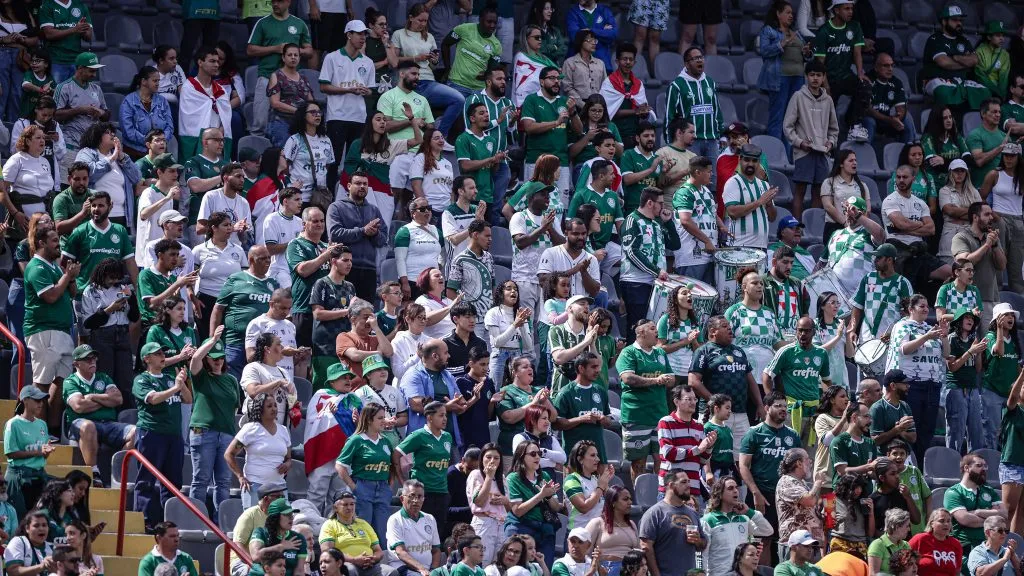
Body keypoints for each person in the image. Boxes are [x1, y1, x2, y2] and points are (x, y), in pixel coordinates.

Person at [24, 227, 78, 434]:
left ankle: (53, 431)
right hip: (42, 330)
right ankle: (37, 432)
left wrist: (71, 277)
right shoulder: (36, 267)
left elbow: (72, 293)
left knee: (62, 382)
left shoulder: (55, 267)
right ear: (41, 243)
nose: (59, 245)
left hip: (62, 330)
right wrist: (67, 275)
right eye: (54, 241)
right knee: (42, 384)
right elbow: (51, 296)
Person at [133, 344, 191, 528]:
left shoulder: (169, 378)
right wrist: (176, 387)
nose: (162, 356)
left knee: (173, 482)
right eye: (157, 353)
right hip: (151, 433)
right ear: (147, 359)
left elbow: (188, 399)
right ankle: (145, 522)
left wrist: (181, 384)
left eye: (163, 353)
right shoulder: (142, 379)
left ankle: (169, 523)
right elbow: (153, 399)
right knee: (147, 480)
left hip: (173, 435)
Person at [739, 392, 800, 564]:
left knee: (787, 540)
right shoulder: (754, 433)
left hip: (785, 496)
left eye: (785, 406)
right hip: (762, 495)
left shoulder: (793, 435)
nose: (783, 409)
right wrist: (755, 493)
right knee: (761, 541)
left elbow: (799, 466)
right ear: (766, 408)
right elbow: (743, 466)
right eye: (778, 406)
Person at [688, 316, 763, 457]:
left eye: (729, 326)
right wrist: (716, 402)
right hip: (714, 413)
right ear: (712, 331)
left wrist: (760, 404)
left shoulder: (739, 351)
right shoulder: (703, 351)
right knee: (712, 455)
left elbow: (751, 380)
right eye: (724, 326)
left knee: (743, 456)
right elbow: (693, 381)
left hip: (740, 412)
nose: (729, 328)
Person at [62, 344, 133, 477]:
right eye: (87, 359)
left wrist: (92, 397)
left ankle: (118, 470)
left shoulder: (103, 377)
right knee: (88, 426)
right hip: (81, 424)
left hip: (108, 424)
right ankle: (94, 473)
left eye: (94, 358)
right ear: (76, 364)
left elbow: (118, 399)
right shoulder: (70, 381)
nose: (92, 361)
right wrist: (106, 402)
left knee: (136, 432)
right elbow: (79, 406)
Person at [616, 317, 674, 482]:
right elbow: (628, 378)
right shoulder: (628, 352)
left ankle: (660, 493)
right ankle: (639, 494)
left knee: (662, 459)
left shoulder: (660, 353)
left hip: (659, 414)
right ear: (641, 332)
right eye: (652, 328)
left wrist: (668, 380)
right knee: (639, 462)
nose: (657, 332)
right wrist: (656, 381)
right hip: (637, 415)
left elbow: (671, 378)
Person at [246, 0, 313, 139]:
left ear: (288, 2)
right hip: (266, 76)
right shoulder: (263, 23)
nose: (275, 4)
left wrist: (292, 50)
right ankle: (257, 152)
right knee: (260, 123)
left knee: (293, 123)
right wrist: (275, 48)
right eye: (273, 1)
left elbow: (309, 51)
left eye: (279, 1)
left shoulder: (299, 23)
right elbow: (250, 50)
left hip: (292, 81)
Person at [784, 60, 838, 219]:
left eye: (818, 75)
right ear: (806, 76)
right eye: (812, 75)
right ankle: (796, 226)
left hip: (822, 153)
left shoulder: (828, 100)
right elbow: (787, 126)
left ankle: (812, 227)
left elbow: (834, 128)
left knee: (818, 192)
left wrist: (831, 142)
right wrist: (800, 142)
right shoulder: (798, 96)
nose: (815, 78)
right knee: (800, 191)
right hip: (804, 152)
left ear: (824, 77)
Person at [620, 188, 676, 339]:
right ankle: (631, 352)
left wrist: (668, 222)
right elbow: (632, 252)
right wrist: (657, 271)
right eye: (660, 203)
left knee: (652, 326)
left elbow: (675, 245)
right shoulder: (632, 220)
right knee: (638, 326)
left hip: (655, 283)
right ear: (650, 203)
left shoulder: (657, 224)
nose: (663, 207)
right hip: (635, 282)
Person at [812, 0, 868, 141]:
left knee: (864, 86)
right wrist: (826, 86)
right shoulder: (824, 31)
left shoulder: (855, 26)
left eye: (851, 8)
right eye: (846, 9)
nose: (850, 12)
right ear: (836, 10)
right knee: (827, 117)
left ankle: (854, 125)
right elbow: (820, 64)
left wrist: (860, 73)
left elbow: (857, 53)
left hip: (845, 75)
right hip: (829, 78)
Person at [327, 171, 388, 301]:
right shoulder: (336, 207)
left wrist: (375, 233)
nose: (362, 186)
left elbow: (383, 239)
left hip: (369, 270)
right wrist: (362, 231)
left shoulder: (374, 210)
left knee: (367, 310)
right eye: (358, 183)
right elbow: (335, 234)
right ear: (349, 186)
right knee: (343, 309)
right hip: (344, 268)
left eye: (365, 184)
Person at [521, 68, 579, 203]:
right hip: (536, 161)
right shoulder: (532, 100)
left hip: (561, 162)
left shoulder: (565, 101)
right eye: (552, 78)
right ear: (542, 81)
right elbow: (529, 127)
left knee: (560, 206)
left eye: (558, 78)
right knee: (534, 203)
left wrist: (573, 113)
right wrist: (556, 122)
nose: (556, 81)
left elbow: (578, 131)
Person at [759, 1, 807, 152]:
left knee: (792, 119)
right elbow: (764, 51)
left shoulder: (796, 32)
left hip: (798, 78)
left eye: (792, 13)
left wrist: (807, 52)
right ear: (778, 14)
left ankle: (788, 155)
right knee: (778, 117)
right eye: (787, 12)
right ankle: (774, 153)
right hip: (780, 78)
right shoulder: (768, 30)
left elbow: (806, 56)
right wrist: (782, 43)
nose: (791, 15)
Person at [921, 6, 989, 112]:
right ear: (944, 21)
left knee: (984, 92)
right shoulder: (935, 39)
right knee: (943, 91)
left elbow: (974, 60)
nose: (959, 23)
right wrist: (965, 62)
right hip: (938, 79)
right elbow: (944, 62)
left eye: (960, 20)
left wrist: (956, 57)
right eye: (955, 20)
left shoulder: (964, 40)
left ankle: (970, 119)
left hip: (961, 80)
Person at [700, 477, 773, 576]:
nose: (735, 491)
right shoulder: (708, 520)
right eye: (730, 488)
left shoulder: (743, 518)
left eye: (736, 488)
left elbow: (768, 531)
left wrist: (749, 512)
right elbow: (703, 553)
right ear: (719, 494)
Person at [503, 440, 560, 567]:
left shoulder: (544, 476)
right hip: (521, 528)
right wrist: (541, 495)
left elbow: (556, 507)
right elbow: (517, 510)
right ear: (521, 457)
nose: (537, 457)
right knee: (518, 570)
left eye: (539, 453)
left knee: (545, 569)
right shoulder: (513, 478)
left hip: (544, 531)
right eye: (533, 454)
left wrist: (549, 495)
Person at [637, 470, 703, 576]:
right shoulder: (654, 513)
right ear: (671, 485)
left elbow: (703, 545)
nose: (688, 485)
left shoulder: (693, 513)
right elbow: (646, 547)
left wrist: (698, 540)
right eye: (684, 482)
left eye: (689, 482)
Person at [3, 386, 56, 518]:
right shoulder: (13, 424)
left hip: (38, 475)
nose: (41, 403)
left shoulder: (42, 424)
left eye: (42, 400)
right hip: (18, 476)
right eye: (37, 400)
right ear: (25, 400)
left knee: (40, 518)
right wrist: (39, 451)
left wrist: (46, 452)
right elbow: (11, 453)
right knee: (20, 518)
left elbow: (42, 455)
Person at [656, 385, 715, 502]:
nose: (693, 402)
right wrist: (698, 449)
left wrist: (709, 447)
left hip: (692, 490)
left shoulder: (699, 426)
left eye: (695, 399)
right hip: (671, 490)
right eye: (688, 399)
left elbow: (702, 461)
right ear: (676, 402)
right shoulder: (666, 422)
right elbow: (669, 453)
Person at [664, 47, 723, 161]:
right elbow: (669, 117)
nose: (699, 60)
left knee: (712, 173)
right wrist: (670, 144)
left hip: (712, 140)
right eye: (695, 58)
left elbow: (717, 110)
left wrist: (721, 134)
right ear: (687, 64)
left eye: (701, 57)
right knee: (691, 172)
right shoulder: (676, 86)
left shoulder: (710, 82)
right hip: (690, 142)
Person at [980, 144, 1024, 294]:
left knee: (1017, 259)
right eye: (1006, 155)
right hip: (998, 217)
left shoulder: (1022, 176)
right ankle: (996, 293)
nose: (1008, 159)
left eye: (1012, 156)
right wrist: (992, 214)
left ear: (1018, 157)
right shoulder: (994, 174)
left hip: (1018, 219)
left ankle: (1018, 295)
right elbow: (981, 198)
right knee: (998, 255)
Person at [53, 53, 106, 175]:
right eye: (91, 71)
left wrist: (101, 112)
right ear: (80, 68)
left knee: (87, 183)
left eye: (95, 71)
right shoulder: (64, 87)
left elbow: (107, 115)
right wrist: (80, 110)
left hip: (91, 147)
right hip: (70, 144)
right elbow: (55, 115)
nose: (94, 75)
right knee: (67, 181)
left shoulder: (96, 89)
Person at [554, 354, 613, 463]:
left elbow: (609, 420)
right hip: (574, 455)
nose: (598, 370)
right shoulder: (565, 393)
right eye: (593, 367)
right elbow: (557, 424)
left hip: (599, 454)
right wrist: (582, 419)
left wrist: (604, 420)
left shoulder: (600, 391)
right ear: (581, 368)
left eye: (598, 367)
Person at [849, 243, 912, 343]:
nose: (875, 260)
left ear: (889, 260)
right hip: (866, 337)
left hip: (891, 338)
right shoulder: (868, 278)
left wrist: (894, 333)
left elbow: (909, 314)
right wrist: (852, 329)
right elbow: (857, 306)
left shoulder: (903, 283)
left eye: (879, 257)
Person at [178, 50, 234, 163]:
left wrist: (218, 134)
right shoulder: (188, 88)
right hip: (196, 139)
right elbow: (189, 120)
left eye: (217, 61)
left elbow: (226, 118)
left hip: (217, 139)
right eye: (212, 61)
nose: (216, 65)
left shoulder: (221, 90)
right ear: (200, 62)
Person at [672, 156, 722, 282]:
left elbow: (712, 213)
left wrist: (722, 226)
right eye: (709, 171)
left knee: (708, 293)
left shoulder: (706, 191)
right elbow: (685, 221)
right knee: (691, 292)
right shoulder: (684, 192)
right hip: (691, 256)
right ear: (698, 172)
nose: (712, 175)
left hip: (709, 254)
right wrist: (707, 241)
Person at [945, 453, 1006, 555]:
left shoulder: (989, 490)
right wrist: (991, 519)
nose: (984, 469)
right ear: (967, 468)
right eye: (979, 465)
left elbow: (1003, 514)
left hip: (990, 547)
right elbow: (965, 519)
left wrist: (978, 512)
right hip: (965, 547)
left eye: (985, 466)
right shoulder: (953, 492)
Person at [982, 304, 1022, 449]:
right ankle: (991, 461)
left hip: (1009, 394)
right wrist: (999, 330)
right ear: (997, 319)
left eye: (1012, 315)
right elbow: (999, 351)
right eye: (1006, 315)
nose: (1011, 317)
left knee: (1008, 431)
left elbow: (1017, 366)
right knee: (992, 432)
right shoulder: (990, 337)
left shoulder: (1014, 340)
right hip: (992, 392)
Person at [723, 144, 778, 249]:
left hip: (762, 247)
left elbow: (772, 218)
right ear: (740, 159)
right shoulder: (733, 182)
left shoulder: (764, 185)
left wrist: (769, 204)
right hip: (740, 246)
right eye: (747, 160)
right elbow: (732, 212)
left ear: (759, 163)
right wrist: (759, 202)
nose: (750, 164)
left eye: (754, 161)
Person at [385, 479, 442, 575]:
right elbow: (401, 552)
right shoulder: (395, 520)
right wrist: (421, 569)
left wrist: (433, 570)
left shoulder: (430, 518)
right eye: (412, 496)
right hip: (403, 567)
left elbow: (436, 551)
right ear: (402, 499)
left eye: (419, 497)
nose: (416, 501)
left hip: (427, 570)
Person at [776, 451, 824, 561]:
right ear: (799, 463)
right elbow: (809, 500)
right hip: (795, 545)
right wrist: (818, 483)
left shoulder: (801, 483)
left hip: (810, 544)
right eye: (807, 459)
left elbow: (810, 505)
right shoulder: (787, 481)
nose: (810, 463)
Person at [1, 126, 55, 222]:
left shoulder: (45, 162)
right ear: (28, 141)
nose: (42, 141)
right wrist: (15, 213)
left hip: (43, 223)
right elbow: (1, 190)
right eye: (38, 138)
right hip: (22, 222)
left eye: (43, 138)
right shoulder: (16, 159)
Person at [120, 66, 174, 159]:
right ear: (143, 81)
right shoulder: (128, 102)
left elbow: (169, 126)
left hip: (160, 152)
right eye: (155, 81)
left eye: (158, 81)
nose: (158, 84)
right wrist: (150, 142)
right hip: (135, 152)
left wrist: (160, 141)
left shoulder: (162, 101)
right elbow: (128, 131)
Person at [396, 198, 443, 302]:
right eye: (422, 209)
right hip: (412, 281)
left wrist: (438, 265)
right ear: (413, 213)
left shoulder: (436, 231)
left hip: (431, 283)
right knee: (412, 310)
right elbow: (400, 259)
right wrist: (404, 283)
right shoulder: (405, 231)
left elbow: (444, 253)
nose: (427, 211)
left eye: (429, 208)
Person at [864, 53, 915, 144]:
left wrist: (897, 118)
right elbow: (867, 109)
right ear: (876, 67)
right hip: (872, 118)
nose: (890, 69)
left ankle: (908, 148)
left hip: (888, 119)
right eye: (886, 65)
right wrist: (890, 120)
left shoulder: (896, 82)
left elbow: (901, 108)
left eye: (892, 65)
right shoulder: (867, 80)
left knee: (907, 119)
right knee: (869, 121)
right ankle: (865, 151)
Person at [938, 160, 983, 264]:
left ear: (966, 173)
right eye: (956, 171)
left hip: (970, 231)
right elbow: (950, 211)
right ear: (950, 173)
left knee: (969, 265)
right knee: (949, 265)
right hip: (951, 231)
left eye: (962, 171)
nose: (959, 173)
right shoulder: (944, 191)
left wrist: (958, 211)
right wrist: (972, 211)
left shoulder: (974, 191)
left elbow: (981, 213)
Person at [250, 498, 309, 576]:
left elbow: (299, 571)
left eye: (291, 514)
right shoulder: (261, 532)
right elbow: (256, 557)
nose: (291, 518)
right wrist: (280, 547)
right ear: (275, 517)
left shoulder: (298, 538)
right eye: (286, 514)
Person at [869, 370, 918, 456]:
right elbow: (874, 441)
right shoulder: (877, 408)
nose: (908, 386)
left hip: (905, 456)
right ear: (893, 386)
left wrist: (901, 431)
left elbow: (913, 438)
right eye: (904, 383)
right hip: (884, 458)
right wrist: (896, 429)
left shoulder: (905, 406)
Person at [512, 405, 566, 478]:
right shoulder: (520, 437)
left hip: (550, 482)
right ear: (532, 420)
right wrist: (553, 464)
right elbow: (524, 461)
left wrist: (544, 452)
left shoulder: (551, 439)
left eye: (548, 419)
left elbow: (563, 458)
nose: (548, 422)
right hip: (528, 482)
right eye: (544, 418)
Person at [830, 473, 874, 559]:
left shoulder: (862, 502)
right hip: (840, 543)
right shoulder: (833, 499)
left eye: (861, 487)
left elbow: (871, 533)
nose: (859, 490)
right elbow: (825, 529)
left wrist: (871, 512)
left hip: (860, 545)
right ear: (846, 487)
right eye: (856, 487)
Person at [969, 99, 1011, 189]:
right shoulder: (975, 135)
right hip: (981, 188)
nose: (998, 115)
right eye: (994, 112)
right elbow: (979, 161)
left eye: (999, 112)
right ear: (983, 114)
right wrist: (1000, 148)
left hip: (1003, 188)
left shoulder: (1005, 136)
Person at [909, 509, 962, 576]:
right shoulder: (920, 539)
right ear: (932, 524)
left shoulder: (956, 544)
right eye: (941, 521)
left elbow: (957, 571)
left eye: (948, 521)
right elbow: (904, 560)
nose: (946, 524)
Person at [562, 31, 607, 105]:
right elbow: (567, 87)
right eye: (590, 40)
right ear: (581, 42)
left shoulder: (600, 63)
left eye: (595, 40)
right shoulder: (570, 62)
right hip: (576, 104)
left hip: (597, 104)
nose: (594, 43)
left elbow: (605, 86)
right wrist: (582, 104)